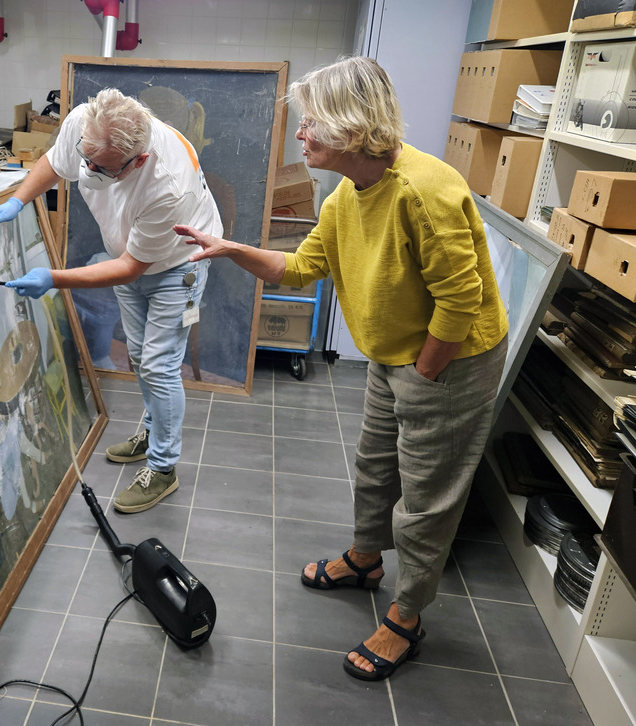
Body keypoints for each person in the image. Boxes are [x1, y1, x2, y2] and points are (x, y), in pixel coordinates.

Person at [176, 56, 509, 681]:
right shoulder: (345, 195)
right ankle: (364, 560)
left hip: (450, 358)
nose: (299, 135)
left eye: (310, 124)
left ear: (352, 127)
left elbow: (462, 300)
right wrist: (229, 249)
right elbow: (297, 269)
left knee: (426, 498)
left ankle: (407, 618)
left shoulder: (422, 192)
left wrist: (427, 371)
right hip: (397, 354)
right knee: (376, 463)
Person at [0, 88, 222, 514]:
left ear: (139, 160)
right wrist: (17, 199)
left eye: (102, 168)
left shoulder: (167, 185)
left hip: (175, 264)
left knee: (158, 364)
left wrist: (54, 278)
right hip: (129, 254)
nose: (89, 171)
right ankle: (152, 429)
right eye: (87, 159)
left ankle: (163, 468)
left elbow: (133, 267)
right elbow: (56, 163)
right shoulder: (87, 123)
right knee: (137, 354)